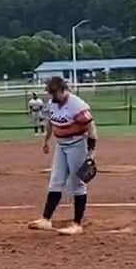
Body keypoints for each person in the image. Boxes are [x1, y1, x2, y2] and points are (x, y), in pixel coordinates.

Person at [29, 76, 96, 235]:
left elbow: (92, 130)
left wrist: (90, 154)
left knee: (77, 183)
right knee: (56, 181)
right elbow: (51, 122)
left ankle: (77, 224)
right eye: (50, 93)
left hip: (77, 145)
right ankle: (45, 219)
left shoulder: (77, 106)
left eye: (54, 93)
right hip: (61, 145)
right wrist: (46, 140)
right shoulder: (53, 103)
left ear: (63, 90)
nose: (52, 96)